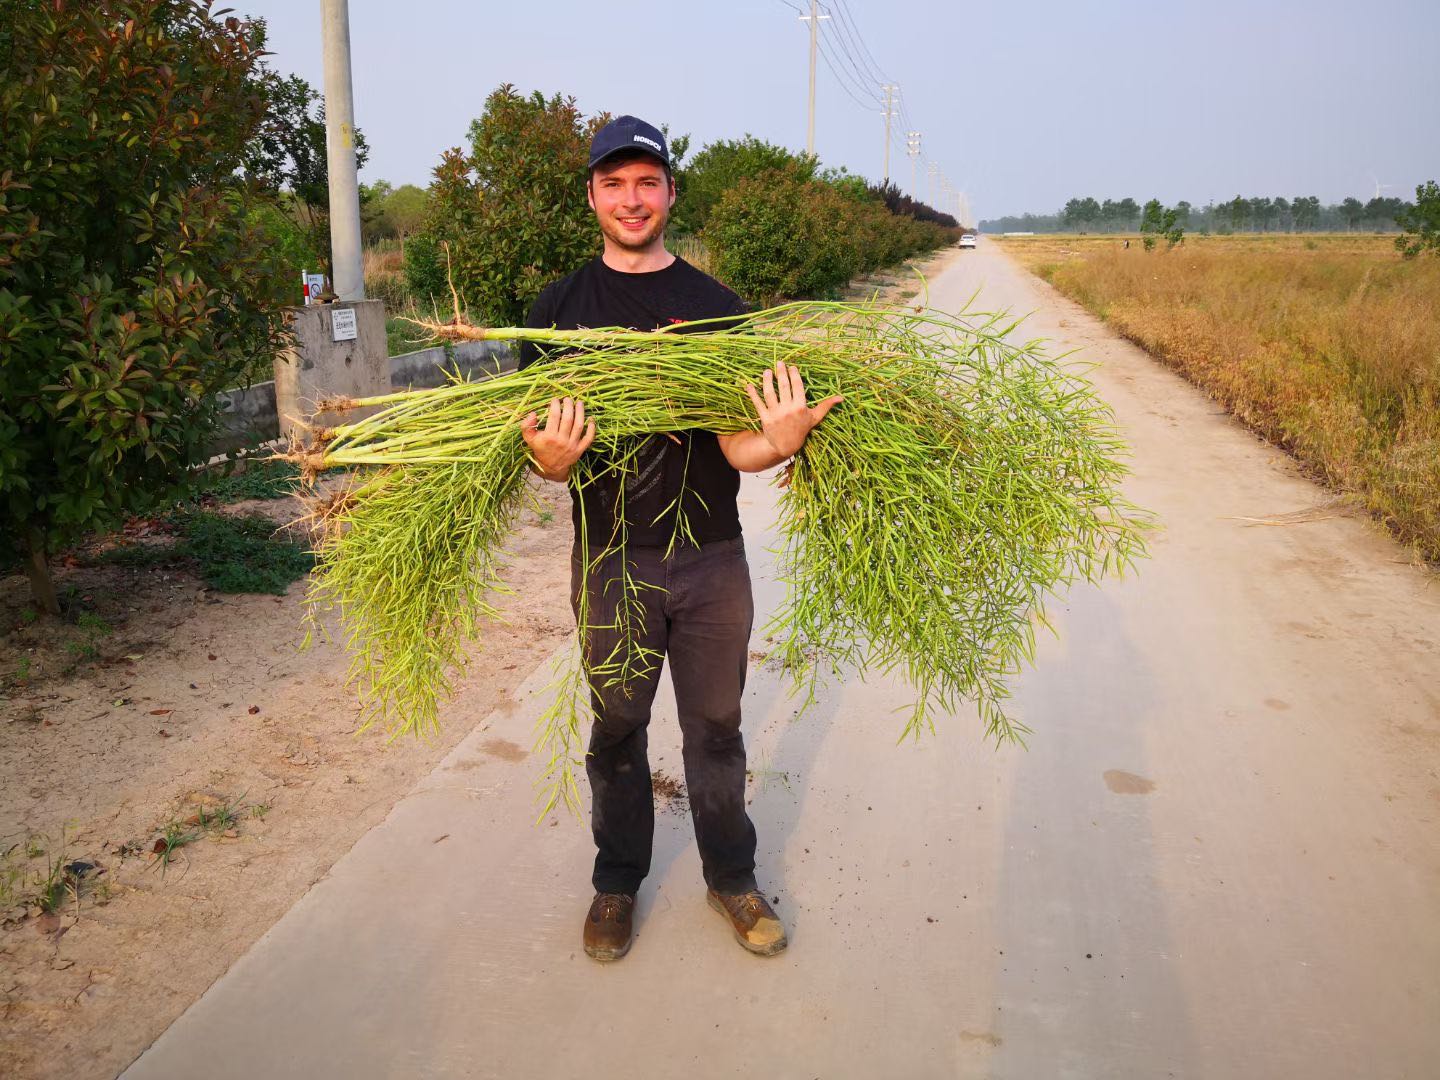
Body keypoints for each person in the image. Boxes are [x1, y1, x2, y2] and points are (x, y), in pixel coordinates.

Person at [517, 115, 841, 961]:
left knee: (717, 729)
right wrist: (549, 463)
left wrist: (784, 438)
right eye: (614, 183)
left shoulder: (718, 309)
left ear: (669, 192)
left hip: (710, 557)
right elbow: (544, 456)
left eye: (647, 182)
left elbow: (740, 444)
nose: (632, 199)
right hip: (611, 559)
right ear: (591, 195)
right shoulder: (555, 313)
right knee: (617, 728)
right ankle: (616, 884)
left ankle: (732, 877)